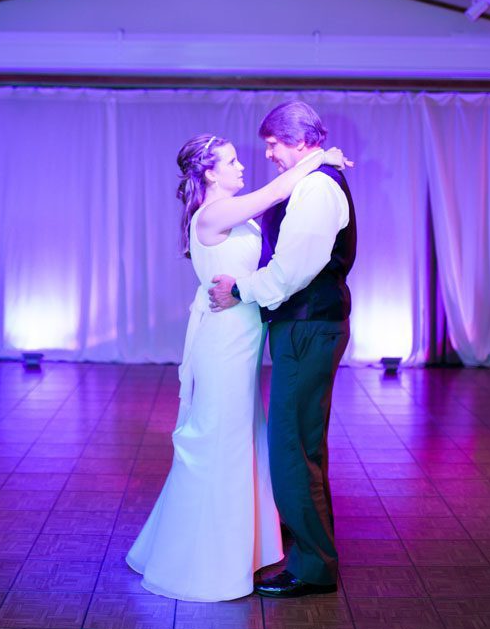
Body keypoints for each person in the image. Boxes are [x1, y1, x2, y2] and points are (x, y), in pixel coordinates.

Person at [126, 131, 349, 602]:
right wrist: (319, 158)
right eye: (230, 162)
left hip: (243, 338)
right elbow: (276, 191)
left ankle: (242, 549)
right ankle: (206, 563)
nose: (242, 166)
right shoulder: (213, 214)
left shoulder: (232, 212)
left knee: (242, 438)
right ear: (209, 173)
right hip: (224, 342)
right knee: (221, 441)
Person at [209, 101, 357, 598]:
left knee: (292, 446)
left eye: (273, 144)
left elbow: (291, 271)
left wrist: (240, 290)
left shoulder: (316, 188)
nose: (268, 153)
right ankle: (312, 551)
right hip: (309, 325)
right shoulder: (312, 178)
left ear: (300, 140)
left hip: (308, 325)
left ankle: (313, 567)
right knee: (302, 443)